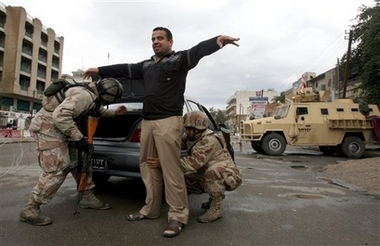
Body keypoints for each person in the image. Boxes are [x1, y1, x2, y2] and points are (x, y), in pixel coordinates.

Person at [83, 27, 239, 237]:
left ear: (170, 42)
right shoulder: (146, 66)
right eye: (153, 39)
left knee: (171, 170)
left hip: (168, 121)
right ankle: (151, 209)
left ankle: (177, 216)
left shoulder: (178, 60)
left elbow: (197, 51)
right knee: (147, 167)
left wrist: (217, 40)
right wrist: (99, 70)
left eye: (160, 38)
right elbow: (124, 68)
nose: (156, 42)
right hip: (147, 121)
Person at [19, 77, 127, 226]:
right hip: (48, 128)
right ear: (106, 96)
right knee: (57, 169)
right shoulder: (84, 95)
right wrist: (78, 138)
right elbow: (60, 116)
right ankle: (30, 208)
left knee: (83, 162)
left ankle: (87, 196)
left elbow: (96, 110)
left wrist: (114, 114)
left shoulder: (92, 95)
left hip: (63, 128)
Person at [147, 111, 242, 223]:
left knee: (213, 172)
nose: (186, 132)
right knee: (181, 178)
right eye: (186, 128)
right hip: (209, 172)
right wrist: (154, 138)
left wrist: (163, 163)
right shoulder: (191, 137)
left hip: (230, 175)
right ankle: (214, 197)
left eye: (189, 129)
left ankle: (217, 208)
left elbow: (192, 164)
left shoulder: (209, 140)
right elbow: (174, 145)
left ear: (198, 129)